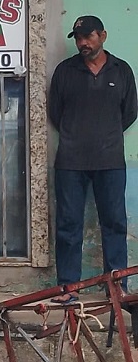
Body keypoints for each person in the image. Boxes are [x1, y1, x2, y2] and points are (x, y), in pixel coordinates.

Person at [48, 15, 137, 303]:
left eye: (89, 36)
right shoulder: (65, 71)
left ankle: (117, 287)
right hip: (71, 162)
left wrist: (105, 135)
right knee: (68, 224)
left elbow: (130, 112)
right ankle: (68, 288)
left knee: (114, 223)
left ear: (103, 36)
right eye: (78, 38)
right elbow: (55, 112)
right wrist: (78, 135)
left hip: (110, 160)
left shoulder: (121, 70)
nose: (83, 43)